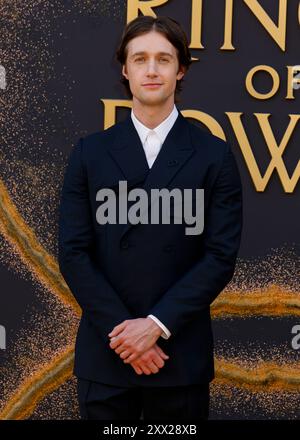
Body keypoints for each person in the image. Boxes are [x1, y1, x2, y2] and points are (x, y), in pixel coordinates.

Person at [58, 15, 243, 421]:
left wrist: (156, 325)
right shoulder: (89, 153)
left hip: (178, 356)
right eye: (140, 58)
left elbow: (219, 257)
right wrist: (127, 333)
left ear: (181, 69)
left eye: (164, 58)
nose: (152, 69)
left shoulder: (215, 155)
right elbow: (73, 253)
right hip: (108, 352)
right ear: (125, 70)